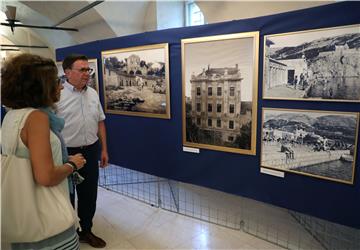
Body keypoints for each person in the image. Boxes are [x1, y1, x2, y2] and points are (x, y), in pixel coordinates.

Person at [1, 53, 86, 249]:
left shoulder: (11, 115)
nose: (61, 86)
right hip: (46, 218)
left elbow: (26, 157)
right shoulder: (37, 118)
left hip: (22, 214)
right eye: (57, 81)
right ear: (40, 86)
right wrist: (72, 164)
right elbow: (46, 176)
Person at [56, 54, 109, 248]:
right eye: (82, 70)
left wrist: (104, 149)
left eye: (88, 70)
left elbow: (100, 122)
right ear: (67, 72)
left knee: (88, 194)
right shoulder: (57, 95)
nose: (87, 74)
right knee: (66, 195)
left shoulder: (93, 93)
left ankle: (86, 230)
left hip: (90, 151)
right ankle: (68, 233)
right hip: (66, 153)